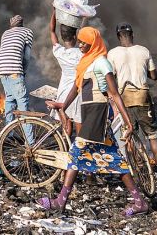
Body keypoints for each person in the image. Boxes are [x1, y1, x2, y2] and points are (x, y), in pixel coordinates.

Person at [44, 27, 148, 216]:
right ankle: (140, 202)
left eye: (85, 43)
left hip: (98, 113)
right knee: (114, 160)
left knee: (76, 153)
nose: (81, 45)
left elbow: (114, 93)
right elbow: (76, 88)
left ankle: (60, 201)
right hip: (90, 111)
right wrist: (62, 105)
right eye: (80, 42)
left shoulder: (101, 63)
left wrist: (128, 122)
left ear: (93, 43)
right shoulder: (86, 61)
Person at [107, 23, 157, 159]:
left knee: (131, 135)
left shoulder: (112, 53)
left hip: (124, 98)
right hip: (142, 96)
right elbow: (153, 76)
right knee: (152, 136)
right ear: (132, 35)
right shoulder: (144, 51)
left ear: (118, 37)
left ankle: (140, 169)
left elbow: (110, 78)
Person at [0, 14, 34, 128]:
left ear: (11, 25)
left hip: (0, 65)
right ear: (22, 24)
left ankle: (9, 134)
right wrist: (23, 71)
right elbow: (26, 56)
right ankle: (30, 142)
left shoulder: (5, 33)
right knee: (23, 102)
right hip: (13, 67)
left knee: (10, 99)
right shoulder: (27, 32)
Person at [48, 10, 82, 126]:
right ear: (75, 36)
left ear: (62, 37)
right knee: (78, 124)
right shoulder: (81, 54)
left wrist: (54, 12)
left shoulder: (59, 52)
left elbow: (52, 30)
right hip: (76, 94)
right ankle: (77, 144)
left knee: (66, 125)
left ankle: (65, 143)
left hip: (63, 93)